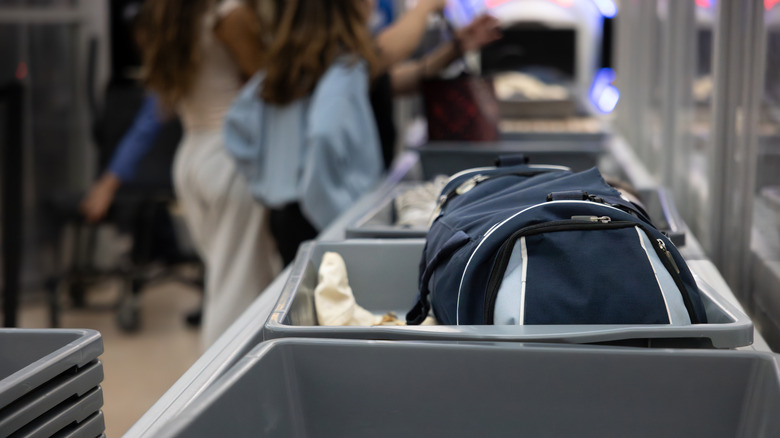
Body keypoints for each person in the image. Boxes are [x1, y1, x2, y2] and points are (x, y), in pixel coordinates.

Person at [134, 0, 281, 348]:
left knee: (225, 279)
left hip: (192, 155)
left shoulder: (170, 13)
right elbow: (271, 82)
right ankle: (215, 392)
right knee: (237, 290)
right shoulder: (229, 14)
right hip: (231, 159)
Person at [224, 0, 384, 266]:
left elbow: (236, 122)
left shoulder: (283, 67)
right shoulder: (346, 65)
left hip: (283, 211)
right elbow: (324, 132)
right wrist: (335, 209)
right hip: (321, 214)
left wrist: (263, 180)